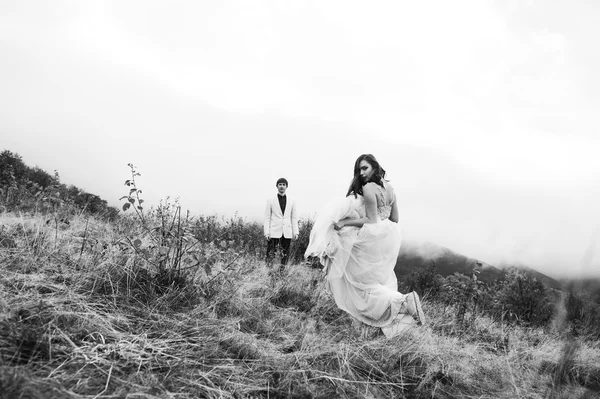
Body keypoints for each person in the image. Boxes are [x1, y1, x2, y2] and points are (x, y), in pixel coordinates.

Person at [305, 154, 425, 338]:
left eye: (365, 168)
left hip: (371, 237)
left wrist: (345, 222)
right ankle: (397, 322)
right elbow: (395, 219)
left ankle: (403, 300)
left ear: (375, 168)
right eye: (359, 169)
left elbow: (370, 220)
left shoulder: (369, 188)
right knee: (374, 281)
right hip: (388, 238)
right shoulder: (390, 188)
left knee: (359, 283)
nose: (361, 173)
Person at [264, 177, 299, 266]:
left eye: (283, 185)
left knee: (285, 254)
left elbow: (294, 218)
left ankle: (283, 271)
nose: (282, 186)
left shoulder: (292, 201)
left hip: (287, 231)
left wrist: (296, 232)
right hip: (274, 231)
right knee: (271, 253)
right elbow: (267, 218)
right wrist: (267, 232)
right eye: (280, 184)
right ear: (277, 186)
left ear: (286, 186)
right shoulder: (270, 201)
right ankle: (268, 270)